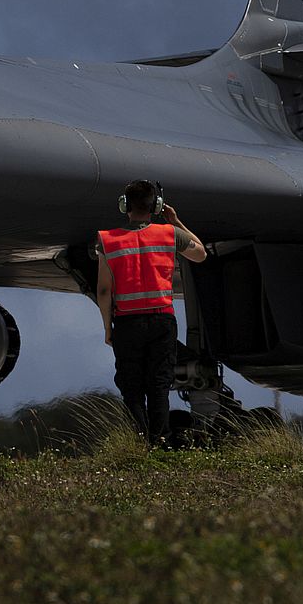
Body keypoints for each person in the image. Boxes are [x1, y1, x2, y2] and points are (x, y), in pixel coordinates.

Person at [95, 180, 207, 445]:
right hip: (162, 320)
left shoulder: (107, 240)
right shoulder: (169, 234)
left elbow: (103, 291)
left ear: (125, 205)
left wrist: (108, 329)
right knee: (159, 384)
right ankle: (160, 441)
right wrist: (176, 222)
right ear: (155, 206)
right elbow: (200, 253)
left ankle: (140, 438)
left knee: (130, 385)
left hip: (127, 322)